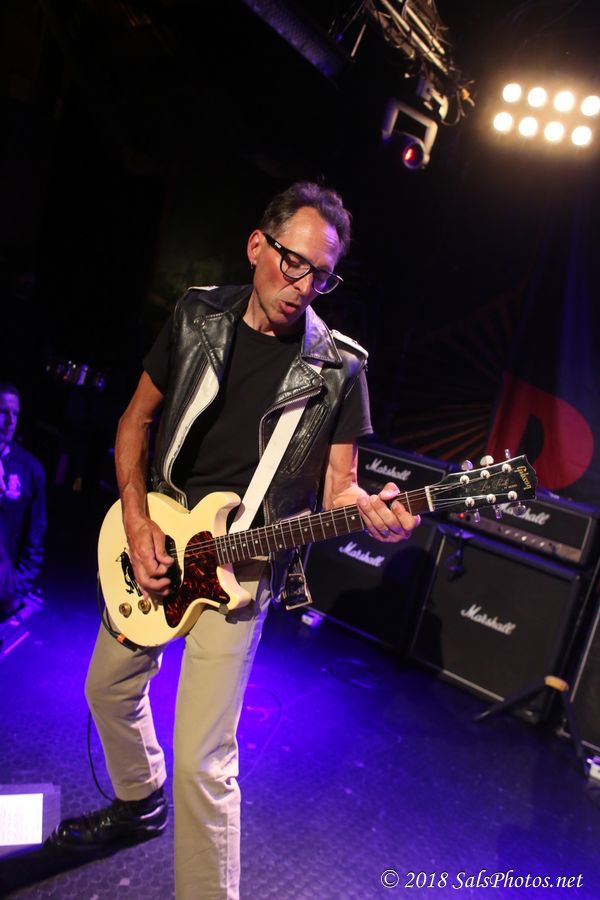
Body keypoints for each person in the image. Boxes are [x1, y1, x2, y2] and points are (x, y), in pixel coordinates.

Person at [49, 182, 420, 898]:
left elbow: (340, 488)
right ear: (257, 246)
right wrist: (138, 523)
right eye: (292, 262)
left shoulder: (340, 369)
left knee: (203, 761)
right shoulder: (197, 315)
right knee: (107, 688)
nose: (302, 285)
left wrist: (373, 509)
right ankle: (139, 799)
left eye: (321, 275)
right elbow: (134, 422)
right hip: (160, 537)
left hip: (239, 569)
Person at [0, 382, 46, 619]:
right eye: (3, 412)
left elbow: (35, 534)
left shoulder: (29, 469)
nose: (10, 421)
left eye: (15, 414)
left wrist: (18, 586)